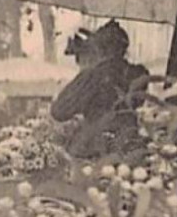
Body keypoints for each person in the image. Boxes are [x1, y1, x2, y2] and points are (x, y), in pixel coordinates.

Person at [50, 20, 149, 156]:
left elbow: (59, 111)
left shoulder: (92, 75)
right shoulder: (139, 73)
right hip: (130, 143)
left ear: (99, 49)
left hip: (96, 146)